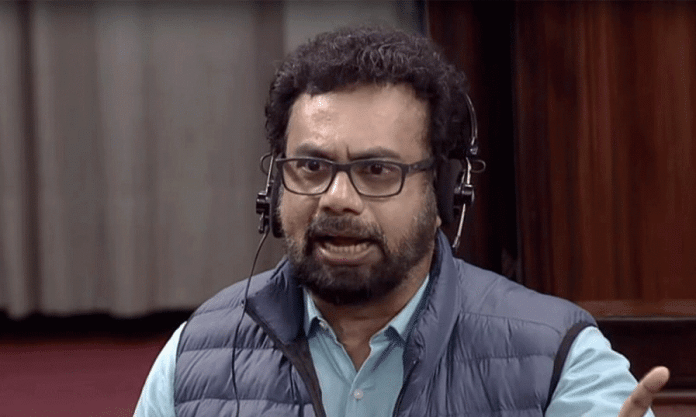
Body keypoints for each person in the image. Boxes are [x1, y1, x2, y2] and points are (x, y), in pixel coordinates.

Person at [134, 25, 669, 417]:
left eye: (376, 170)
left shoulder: (559, 360)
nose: (337, 199)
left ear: (443, 194)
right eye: (311, 167)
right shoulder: (194, 357)